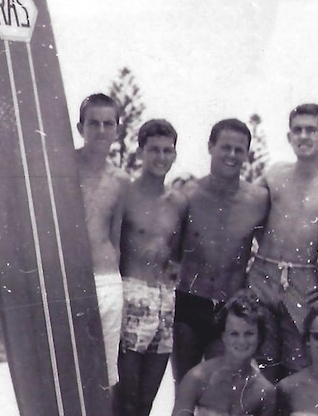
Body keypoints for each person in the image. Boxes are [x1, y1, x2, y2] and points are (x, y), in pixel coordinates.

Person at [249, 104, 318, 382]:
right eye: (298, 130)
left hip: (304, 281)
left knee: (299, 365)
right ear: (289, 136)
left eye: (312, 130)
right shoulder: (274, 174)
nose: (304, 136)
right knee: (262, 366)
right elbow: (244, 210)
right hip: (263, 275)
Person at [173, 119, 270, 383]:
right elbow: (169, 251)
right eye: (225, 147)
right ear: (210, 147)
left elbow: (270, 251)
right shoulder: (187, 194)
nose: (232, 155)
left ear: (247, 154)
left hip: (231, 307)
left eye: (239, 150)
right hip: (189, 302)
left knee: (223, 389)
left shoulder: (258, 200)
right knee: (186, 386)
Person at [117, 119, 188, 416]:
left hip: (165, 301)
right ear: (140, 152)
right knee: (126, 399)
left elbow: (179, 253)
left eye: (167, 151)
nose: (161, 157)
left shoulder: (179, 201)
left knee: (147, 400)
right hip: (132, 295)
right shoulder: (126, 194)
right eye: (154, 150)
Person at [75, 93, 131, 391]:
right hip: (68, 281)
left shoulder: (121, 180)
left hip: (108, 281)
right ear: (79, 127)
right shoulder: (62, 168)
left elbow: (116, 237)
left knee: (104, 375)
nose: (100, 130)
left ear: (117, 130)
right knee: (67, 367)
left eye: (108, 124)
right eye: (93, 123)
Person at [173, 288, 277, 416]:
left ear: (259, 336)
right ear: (223, 336)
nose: (242, 341)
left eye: (249, 333)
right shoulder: (197, 378)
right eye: (234, 334)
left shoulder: (264, 391)